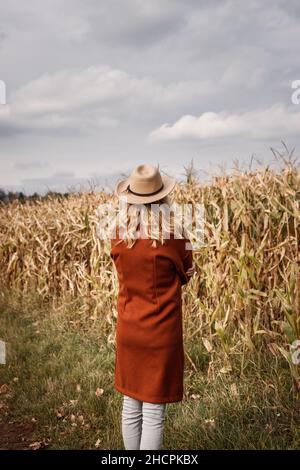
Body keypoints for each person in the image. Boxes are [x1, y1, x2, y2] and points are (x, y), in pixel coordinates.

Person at [110, 163, 195, 450]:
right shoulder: (174, 236)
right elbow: (187, 272)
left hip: (129, 328)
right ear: (162, 198)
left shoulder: (118, 235)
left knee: (130, 405)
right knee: (154, 412)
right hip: (161, 332)